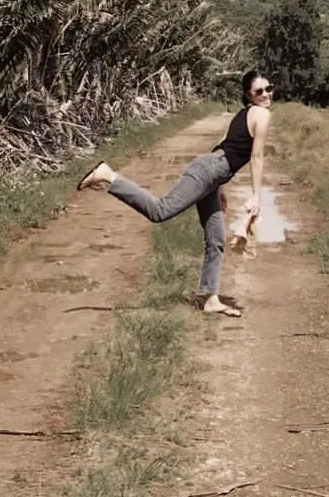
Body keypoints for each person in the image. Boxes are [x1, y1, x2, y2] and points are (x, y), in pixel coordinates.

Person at [76, 69, 273, 318]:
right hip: (209, 172)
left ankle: (211, 298)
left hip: (212, 173)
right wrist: (256, 195)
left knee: (216, 239)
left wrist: (218, 187)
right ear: (249, 95)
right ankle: (108, 175)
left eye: (269, 89)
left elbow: (221, 146)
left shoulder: (244, 114)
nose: (266, 95)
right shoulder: (262, 114)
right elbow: (256, 157)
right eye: (259, 91)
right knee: (160, 211)